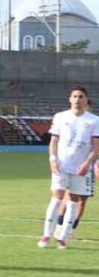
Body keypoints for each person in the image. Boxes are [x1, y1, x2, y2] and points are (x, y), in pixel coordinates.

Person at [38, 87, 99, 249]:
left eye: (81, 96)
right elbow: (54, 141)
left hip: (80, 167)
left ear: (86, 100)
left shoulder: (94, 120)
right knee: (57, 197)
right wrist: (52, 160)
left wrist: (87, 163)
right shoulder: (60, 117)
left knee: (73, 201)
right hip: (61, 165)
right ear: (70, 99)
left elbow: (96, 147)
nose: (77, 99)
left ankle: (63, 237)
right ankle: (46, 235)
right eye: (75, 96)